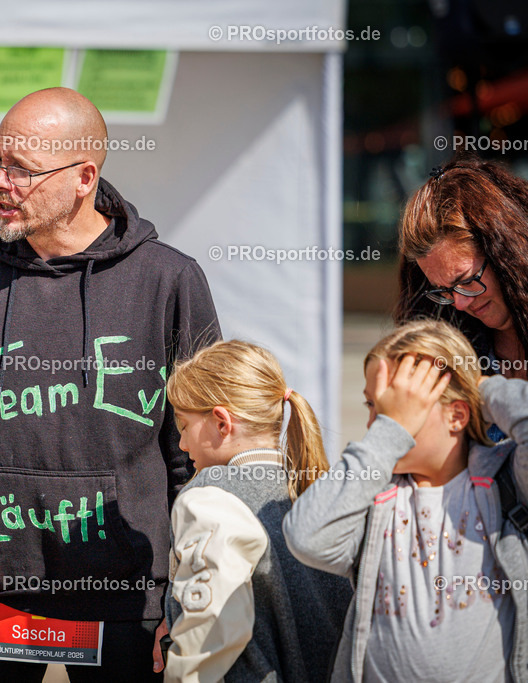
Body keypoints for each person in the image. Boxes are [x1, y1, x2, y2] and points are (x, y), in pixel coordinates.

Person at [0, 87, 221, 681]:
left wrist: (190, 594)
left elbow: (198, 454)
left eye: (22, 169)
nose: (2, 182)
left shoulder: (167, 280)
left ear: (84, 177)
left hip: (124, 591)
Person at [284, 320, 528, 682]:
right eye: (374, 407)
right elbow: (306, 537)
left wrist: (483, 387)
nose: (377, 423)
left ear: (457, 415)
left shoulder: (505, 482)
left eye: (402, 409)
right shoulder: (373, 497)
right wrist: (390, 433)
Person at [164, 340, 351, 681]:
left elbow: (207, 632)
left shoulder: (210, 498)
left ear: (222, 422)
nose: (182, 444)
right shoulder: (321, 493)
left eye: (184, 426)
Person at [395, 155, 528, 383]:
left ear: (506, 256)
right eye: (443, 291)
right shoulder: (449, 346)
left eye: (466, 281)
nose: (460, 303)